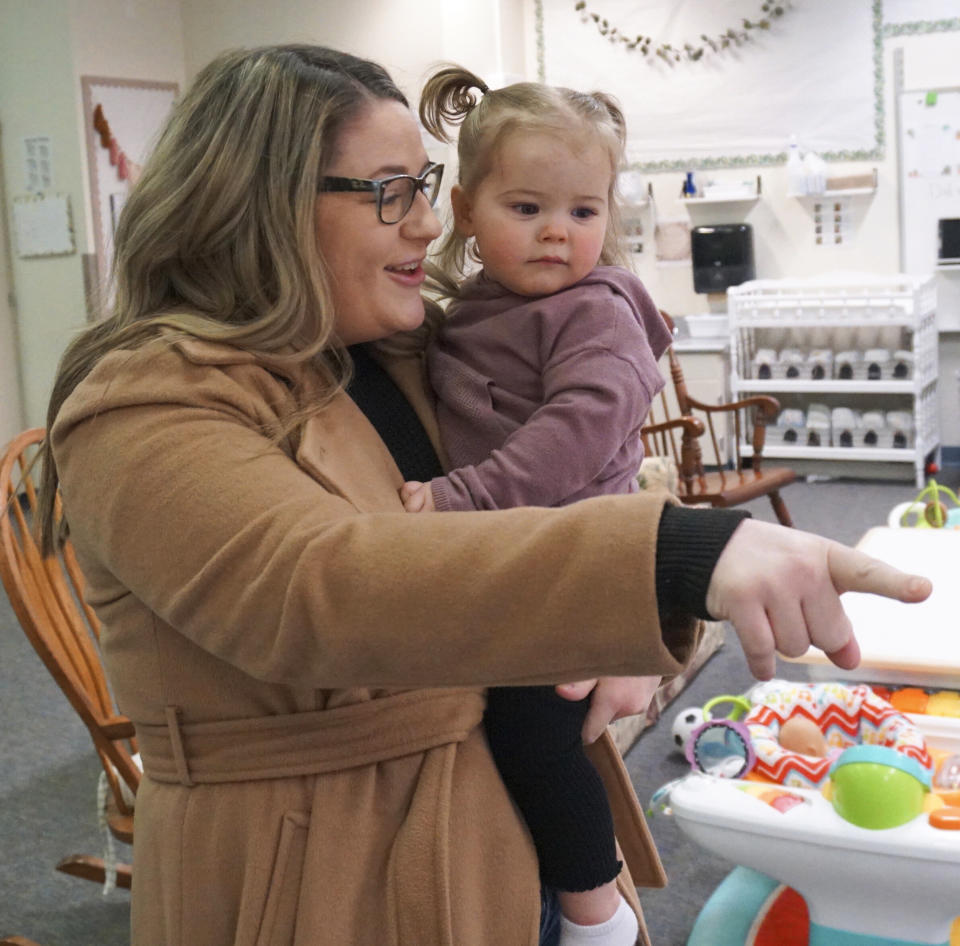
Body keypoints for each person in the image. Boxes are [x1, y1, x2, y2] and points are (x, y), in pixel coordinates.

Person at [35, 44, 931, 946]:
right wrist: (668, 556)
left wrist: (610, 620)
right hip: (325, 874)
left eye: (424, 183)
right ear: (259, 203)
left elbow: (548, 495)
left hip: (505, 826)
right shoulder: (145, 404)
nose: (430, 226)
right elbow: (315, 589)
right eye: (392, 191)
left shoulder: (402, 346)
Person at [400, 66, 669, 946]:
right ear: (468, 211)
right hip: (518, 561)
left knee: (534, 730)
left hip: (574, 563)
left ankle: (597, 913)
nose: (559, 233)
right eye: (528, 210)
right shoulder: (475, 310)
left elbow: (584, 430)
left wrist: (464, 496)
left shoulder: (594, 311)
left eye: (583, 213)